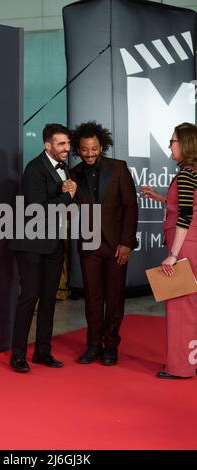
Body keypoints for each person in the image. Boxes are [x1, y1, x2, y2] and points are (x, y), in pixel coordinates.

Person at [9, 123, 77, 372]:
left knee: (49, 299)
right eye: (62, 144)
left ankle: (43, 352)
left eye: (68, 144)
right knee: (30, 297)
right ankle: (17, 355)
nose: (67, 149)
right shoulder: (34, 169)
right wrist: (67, 196)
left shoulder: (63, 167)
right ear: (47, 144)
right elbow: (38, 209)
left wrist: (63, 193)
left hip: (53, 242)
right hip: (30, 243)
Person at [70, 121, 138, 366]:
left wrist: (127, 242)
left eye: (94, 149)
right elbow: (71, 208)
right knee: (93, 297)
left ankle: (111, 345)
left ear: (102, 146)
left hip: (116, 245)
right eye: (85, 149)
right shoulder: (73, 174)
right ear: (78, 149)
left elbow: (131, 207)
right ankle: (92, 344)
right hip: (89, 243)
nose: (90, 154)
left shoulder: (118, 168)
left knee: (115, 295)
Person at [141, 122, 197, 379]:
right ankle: (192, 361)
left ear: (185, 144)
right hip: (192, 244)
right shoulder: (193, 173)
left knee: (180, 307)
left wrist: (173, 255)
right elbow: (187, 205)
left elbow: (185, 216)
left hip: (185, 246)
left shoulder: (186, 174)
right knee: (192, 307)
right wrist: (162, 198)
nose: (169, 145)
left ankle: (180, 367)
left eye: (173, 141)